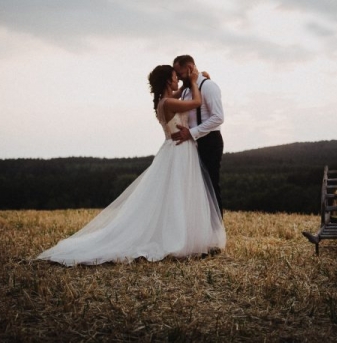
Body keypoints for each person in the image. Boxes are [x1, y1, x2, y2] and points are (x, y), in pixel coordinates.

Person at [36, 65, 225, 266]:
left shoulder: (165, 100)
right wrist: (195, 81)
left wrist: (195, 80)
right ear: (167, 81)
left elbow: (181, 92)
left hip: (175, 149)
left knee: (176, 194)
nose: (177, 79)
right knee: (178, 193)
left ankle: (183, 235)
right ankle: (178, 238)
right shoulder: (169, 102)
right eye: (174, 77)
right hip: (179, 150)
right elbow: (196, 101)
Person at [172, 55, 225, 217]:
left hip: (210, 141)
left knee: (211, 186)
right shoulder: (187, 90)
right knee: (196, 188)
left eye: (180, 74)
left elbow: (218, 117)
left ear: (189, 68)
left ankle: (216, 227)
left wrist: (191, 132)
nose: (179, 78)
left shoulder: (209, 86)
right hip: (191, 144)